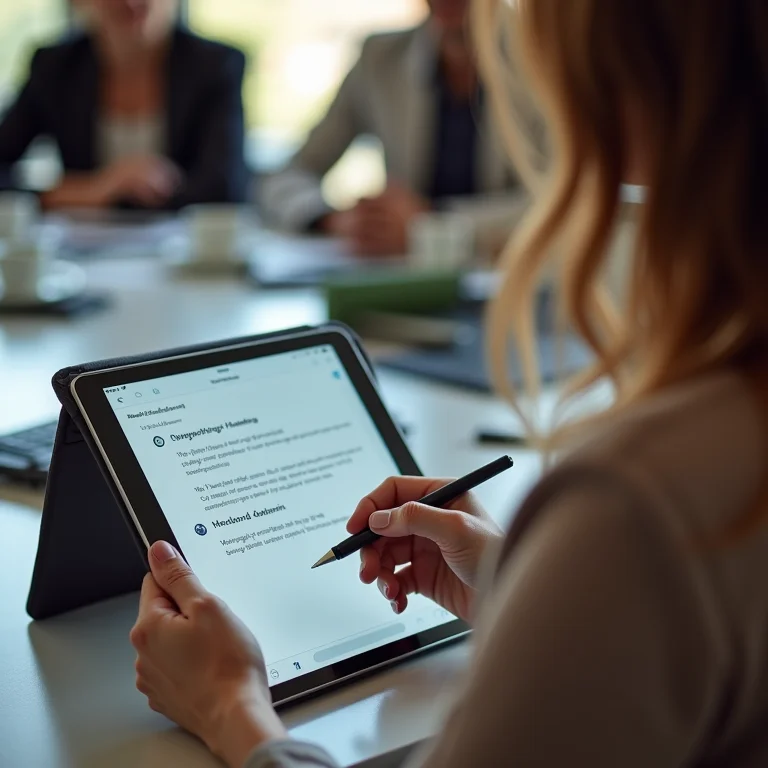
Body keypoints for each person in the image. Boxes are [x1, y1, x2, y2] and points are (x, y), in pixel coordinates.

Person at [130, 1, 768, 767]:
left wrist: (230, 708)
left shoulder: (640, 502)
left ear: (621, 96)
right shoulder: (704, 456)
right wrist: (526, 593)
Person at [260, 0, 527, 256]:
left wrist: (431, 222)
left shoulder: (541, 57)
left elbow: (548, 206)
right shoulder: (381, 60)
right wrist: (335, 219)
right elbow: (286, 176)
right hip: (402, 277)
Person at [0, 0, 248, 210]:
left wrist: (140, 190)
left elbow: (224, 188)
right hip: (81, 246)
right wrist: (94, 189)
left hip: (183, 246)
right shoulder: (55, 68)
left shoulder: (216, 66)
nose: (130, 2)